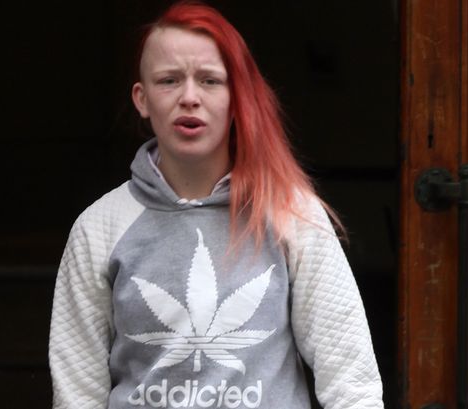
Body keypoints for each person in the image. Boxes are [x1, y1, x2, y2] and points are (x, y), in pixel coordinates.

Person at [49, 2, 383, 408]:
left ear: (236, 97)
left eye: (209, 81)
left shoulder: (291, 214)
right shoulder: (100, 227)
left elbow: (351, 382)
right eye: (169, 80)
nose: (189, 97)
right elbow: (77, 394)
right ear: (142, 98)